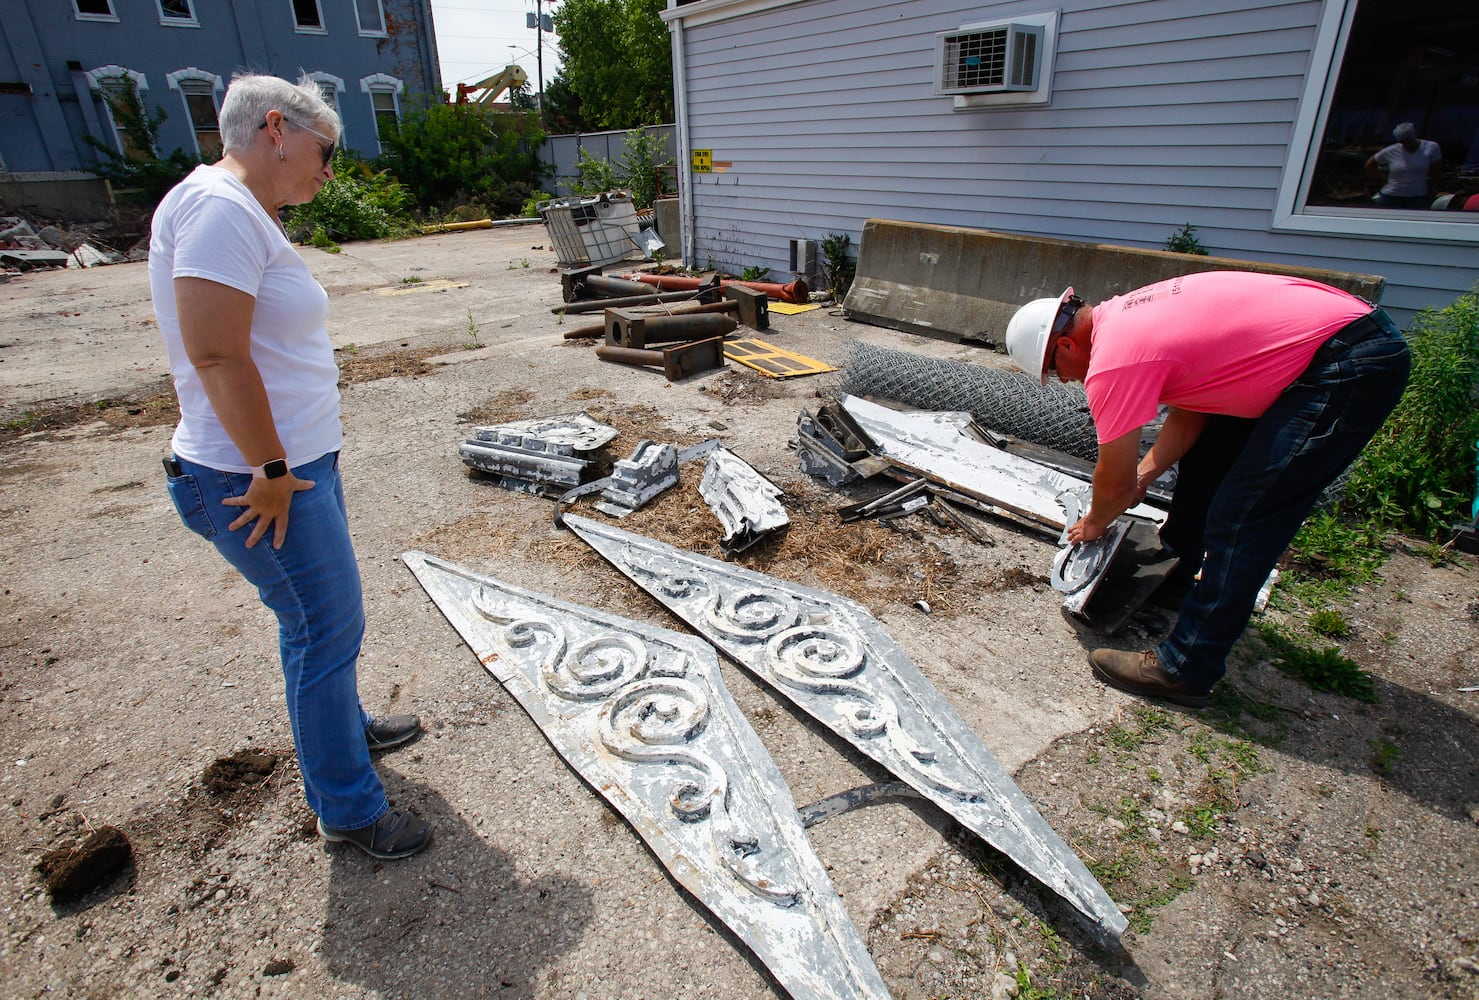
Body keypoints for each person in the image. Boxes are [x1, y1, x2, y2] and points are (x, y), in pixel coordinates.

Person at [149, 73, 431, 859]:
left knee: (318, 628)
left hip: (293, 464)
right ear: (276, 128)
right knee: (323, 628)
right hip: (261, 477)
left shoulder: (235, 209)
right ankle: (347, 807)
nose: (328, 170)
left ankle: (342, 735)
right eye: (324, 150)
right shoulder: (217, 210)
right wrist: (269, 467)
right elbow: (213, 351)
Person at [1004, 272, 1410, 708]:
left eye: (1055, 372)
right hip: (1327, 344)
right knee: (1208, 459)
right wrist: (1142, 478)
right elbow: (1191, 414)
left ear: (1065, 345)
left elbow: (1113, 478)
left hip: (1342, 363)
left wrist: (1097, 520)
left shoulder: (1114, 359)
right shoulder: (1126, 317)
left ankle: (1186, 666)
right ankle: (1180, 580)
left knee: (1245, 516)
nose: (1063, 381)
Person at [1366, 122, 1442, 209]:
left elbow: (1436, 171)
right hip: (1391, 196)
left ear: (1414, 136)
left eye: (1408, 139)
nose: (1406, 143)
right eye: (1402, 141)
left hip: (1418, 197)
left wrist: (1434, 188)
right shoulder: (1391, 150)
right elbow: (1370, 165)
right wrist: (1382, 176)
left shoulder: (1431, 147)